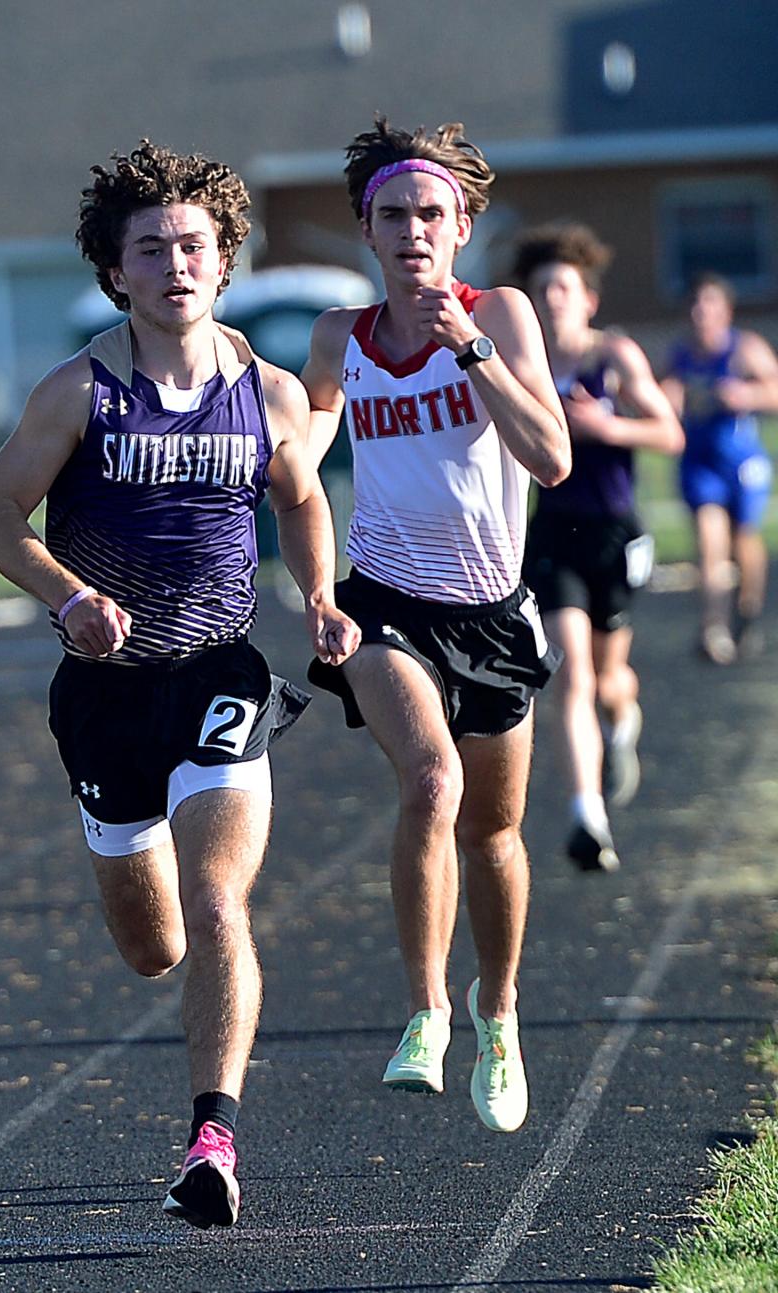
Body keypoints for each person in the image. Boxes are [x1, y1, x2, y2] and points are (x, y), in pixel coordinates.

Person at [0, 141, 360, 1230]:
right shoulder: (78, 394)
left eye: (195, 244)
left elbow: (297, 500)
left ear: (225, 259)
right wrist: (66, 598)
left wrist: (319, 597)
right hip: (105, 699)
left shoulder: (270, 395)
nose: (177, 264)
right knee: (155, 949)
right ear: (118, 273)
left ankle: (212, 1139)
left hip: (220, 671)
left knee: (219, 897)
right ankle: (188, 993)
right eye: (153, 249)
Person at [300, 116, 570, 1134]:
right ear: (367, 233)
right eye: (392, 216)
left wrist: (472, 350)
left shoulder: (498, 313)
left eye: (430, 214)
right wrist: (319, 586)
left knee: (494, 831)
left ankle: (496, 1013)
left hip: (493, 613)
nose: (412, 231)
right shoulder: (339, 339)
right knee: (432, 782)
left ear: (462, 228)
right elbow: (307, 462)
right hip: (386, 605)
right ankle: (427, 1013)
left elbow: (551, 461)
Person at [514, 223, 684, 872]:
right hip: (554, 532)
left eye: (563, 288)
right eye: (541, 289)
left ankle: (623, 719)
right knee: (573, 671)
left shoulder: (614, 357)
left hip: (613, 533)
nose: (553, 299)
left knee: (610, 678)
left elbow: (669, 433)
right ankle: (588, 813)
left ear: (587, 298)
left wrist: (603, 425)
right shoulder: (522, 365)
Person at [662, 273, 778, 664]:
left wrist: (748, 394)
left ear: (725, 310)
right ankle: (713, 629)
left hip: (742, 460)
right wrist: (668, 401)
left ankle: (747, 610)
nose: (701, 312)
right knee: (710, 542)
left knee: (745, 540)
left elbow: (775, 390)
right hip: (700, 462)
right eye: (695, 304)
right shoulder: (679, 356)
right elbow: (665, 396)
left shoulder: (744, 349)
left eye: (710, 303)